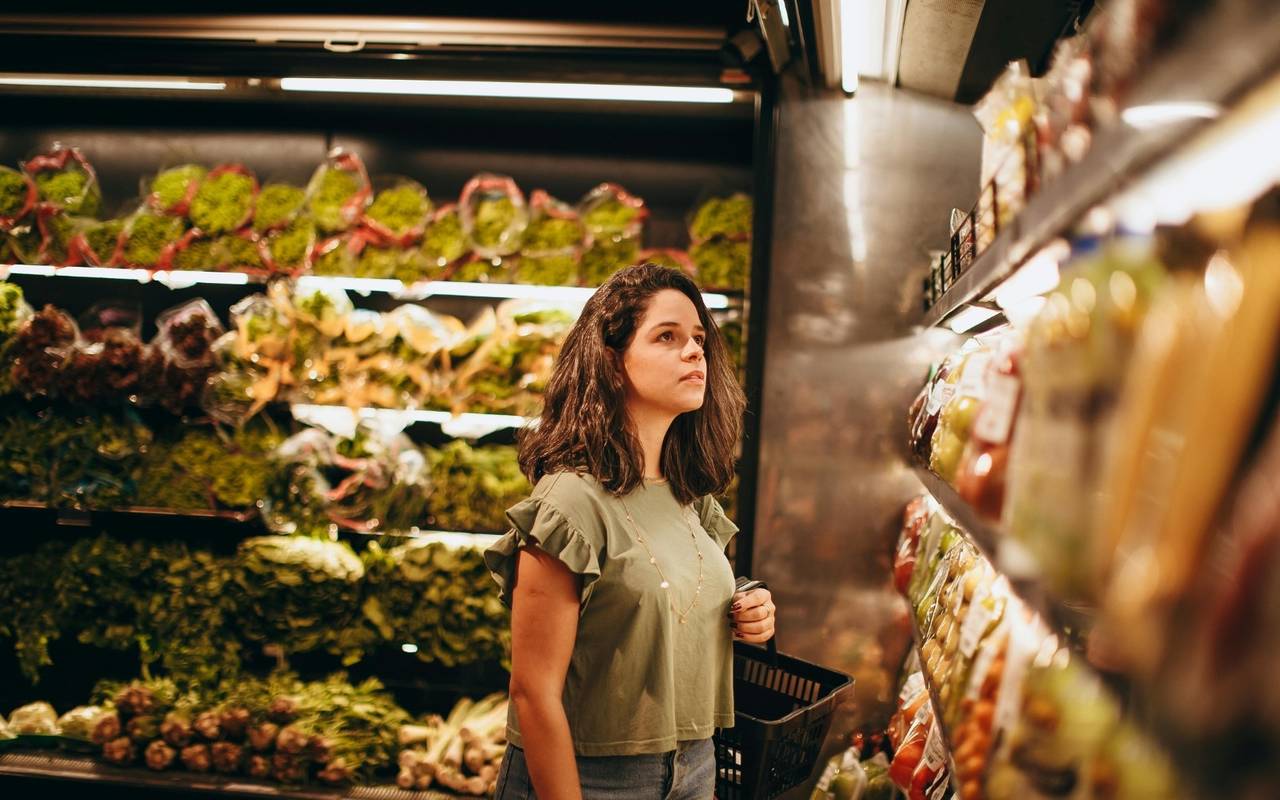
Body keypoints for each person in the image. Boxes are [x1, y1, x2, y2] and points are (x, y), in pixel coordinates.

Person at [484, 263, 776, 799]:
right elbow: (533, 693)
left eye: (698, 340)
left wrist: (746, 606)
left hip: (695, 765)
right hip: (592, 777)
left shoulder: (691, 494)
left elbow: (666, 596)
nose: (695, 352)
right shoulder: (570, 503)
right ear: (612, 364)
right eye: (667, 337)